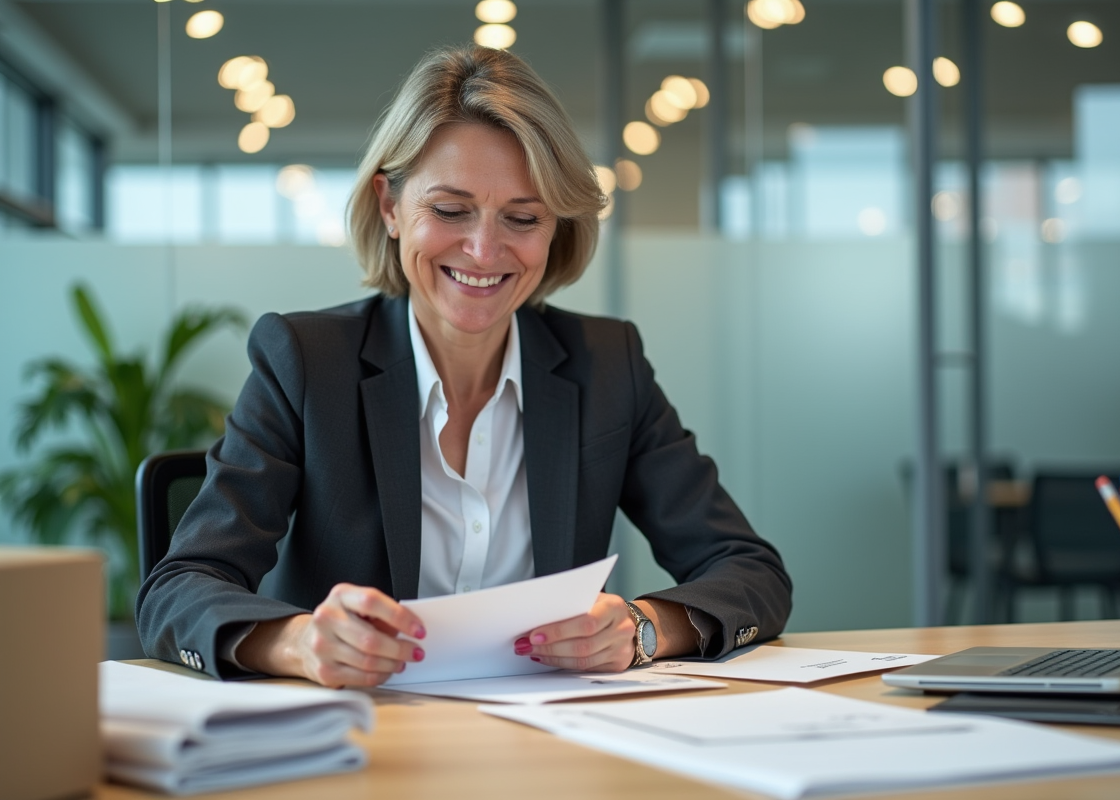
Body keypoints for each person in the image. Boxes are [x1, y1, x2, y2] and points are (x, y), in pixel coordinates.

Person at [137, 45, 791, 687]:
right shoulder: (306, 363)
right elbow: (177, 588)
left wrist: (644, 628)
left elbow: (750, 571)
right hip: (363, 733)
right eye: (450, 211)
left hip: (550, 734)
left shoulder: (606, 367)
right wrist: (298, 642)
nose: (483, 250)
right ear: (390, 207)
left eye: (523, 218)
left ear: (556, 228)